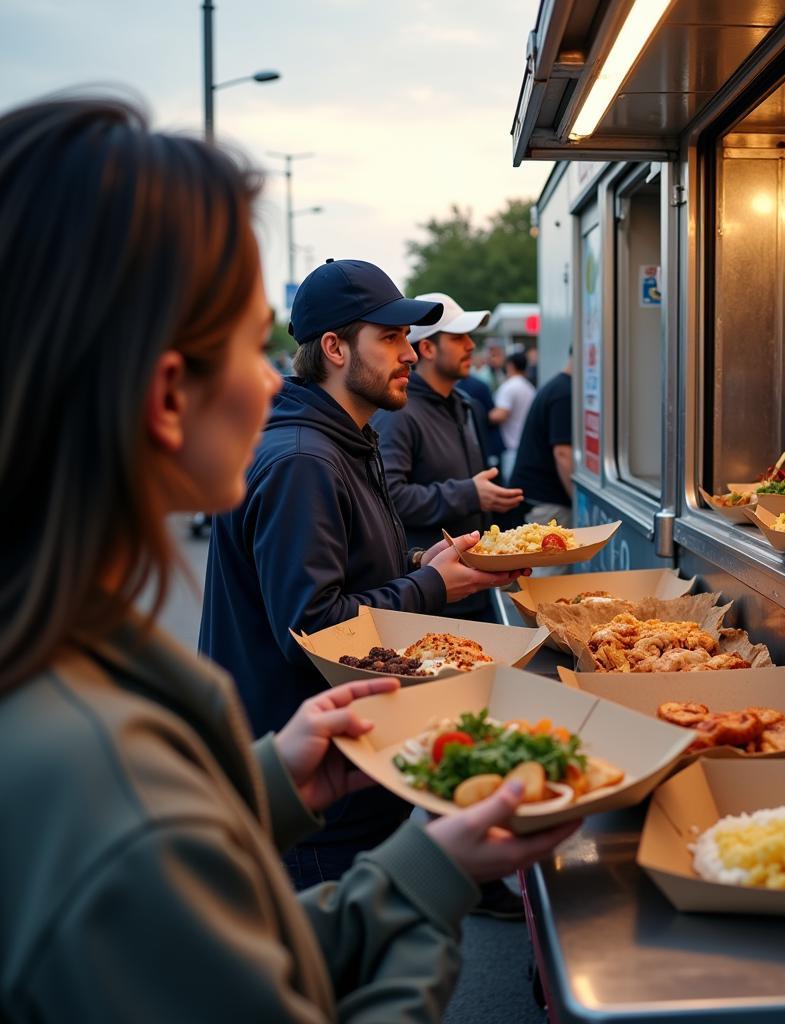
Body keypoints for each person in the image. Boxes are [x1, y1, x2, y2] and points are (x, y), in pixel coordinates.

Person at [0, 96, 575, 1022]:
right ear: (165, 397)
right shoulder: (96, 771)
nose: (272, 376)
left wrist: (259, 787)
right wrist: (429, 896)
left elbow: (217, 947)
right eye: (245, 336)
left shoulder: (76, 680)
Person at [199, 258, 526, 889]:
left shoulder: (346, 439)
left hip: (346, 763)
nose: (409, 353)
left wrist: (421, 564)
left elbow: (347, 572)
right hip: (318, 788)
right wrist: (433, 587)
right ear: (334, 348)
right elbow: (315, 629)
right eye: (391, 337)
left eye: (408, 338)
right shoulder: (304, 461)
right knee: (338, 975)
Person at [373, 292, 523, 621]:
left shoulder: (463, 403)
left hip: (473, 589)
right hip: (433, 599)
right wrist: (470, 494)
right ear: (426, 348)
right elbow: (388, 498)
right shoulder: (398, 413)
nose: (471, 346)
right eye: (458, 338)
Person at [511, 356, 574, 527]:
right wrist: (579, 502)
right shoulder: (565, 392)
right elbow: (563, 453)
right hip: (547, 502)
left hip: (536, 497)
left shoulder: (557, 386)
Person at [491, 351, 536, 480]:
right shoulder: (529, 387)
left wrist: (484, 414)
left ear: (510, 365)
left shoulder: (509, 387)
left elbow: (500, 415)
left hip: (511, 447)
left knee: (510, 490)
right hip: (524, 446)